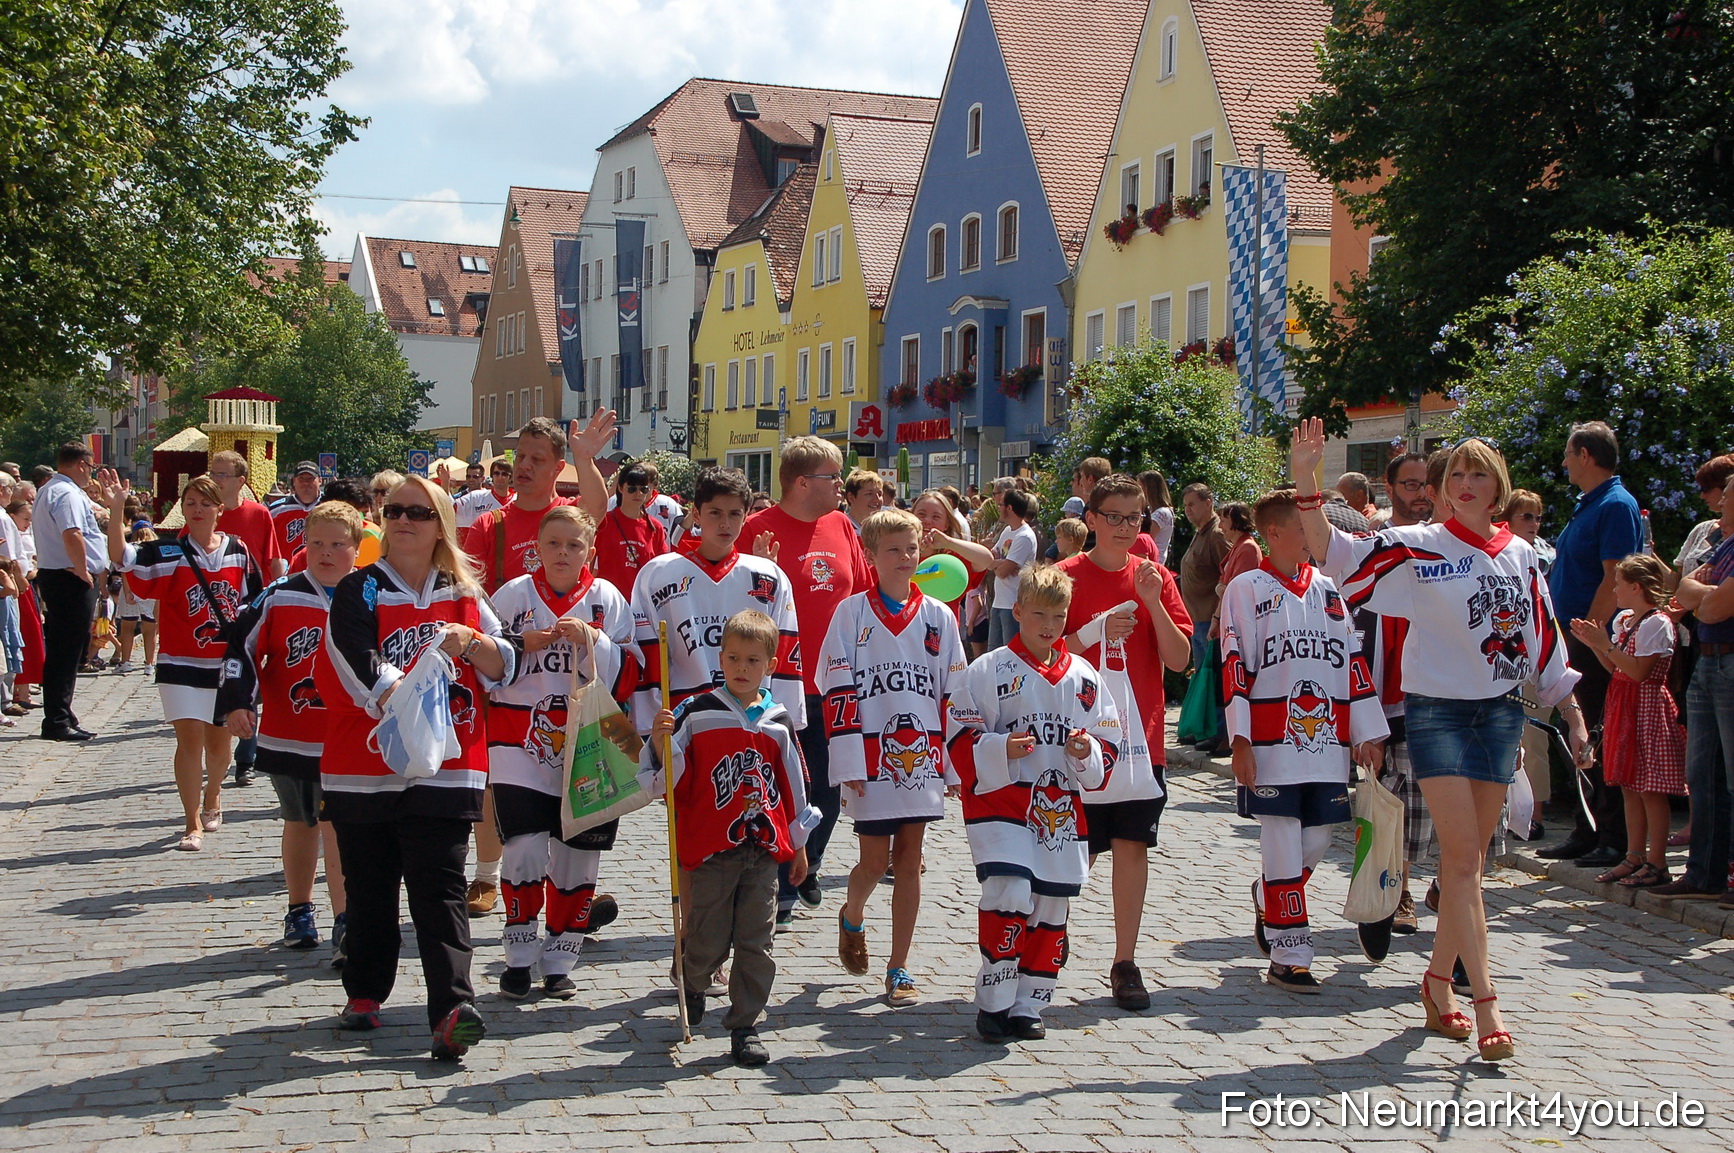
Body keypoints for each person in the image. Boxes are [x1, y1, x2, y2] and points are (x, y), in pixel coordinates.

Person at [1291, 420, 1591, 1062]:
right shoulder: (1420, 543)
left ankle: (1434, 982)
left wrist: (1572, 713)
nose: (1463, 484)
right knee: (1460, 861)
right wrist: (1307, 484)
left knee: (1471, 866)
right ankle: (1486, 1004)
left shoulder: (1520, 554)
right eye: (1455, 474)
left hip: (1500, 714)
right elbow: (1338, 557)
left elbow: (1542, 638)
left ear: (1498, 487)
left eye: (1476, 473)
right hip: (1437, 715)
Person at [320, 474, 514, 1061]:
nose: (404, 520)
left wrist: (470, 641)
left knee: (440, 887)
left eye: (419, 512)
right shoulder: (359, 590)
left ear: (440, 526)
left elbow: (503, 660)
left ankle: (453, 1009)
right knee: (371, 885)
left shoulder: (463, 591)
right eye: (395, 510)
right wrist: (404, 695)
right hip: (365, 764)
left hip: (449, 766)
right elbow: (353, 661)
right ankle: (365, 991)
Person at [1221, 488, 1389, 991]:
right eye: (1304, 525)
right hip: (1271, 741)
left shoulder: (1329, 589)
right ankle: (1289, 952)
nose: (1313, 535)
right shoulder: (1246, 589)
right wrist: (1240, 739)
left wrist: (1367, 732)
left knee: (1315, 840)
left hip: (1327, 743)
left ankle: (1266, 895)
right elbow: (1235, 665)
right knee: (1280, 844)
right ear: (1274, 533)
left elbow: (1353, 662)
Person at [946, 563, 1120, 1043]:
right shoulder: (989, 668)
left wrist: (1088, 754)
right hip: (1000, 806)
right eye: (1039, 613)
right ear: (1017, 610)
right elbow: (959, 731)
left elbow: (1109, 735)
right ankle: (994, 1001)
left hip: (1059, 812)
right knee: (1009, 893)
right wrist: (1000, 748)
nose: (1048, 625)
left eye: (1058, 616)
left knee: (1050, 904)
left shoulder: (1084, 676)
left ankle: (1029, 1003)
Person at [644, 610, 820, 1066]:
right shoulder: (697, 713)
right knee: (708, 937)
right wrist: (661, 738)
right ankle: (694, 980)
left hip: (762, 849)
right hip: (711, 849)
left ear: (770, 664)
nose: (742, 668)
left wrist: (799, 843)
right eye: (734, 658)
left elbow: (794, 785)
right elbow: (665, 770)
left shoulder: (778, 722)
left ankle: (745, 1025)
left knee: (756, 941)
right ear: (720, 658)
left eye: (753, 660)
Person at [818, 507, 967, 1007]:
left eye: (912, 548)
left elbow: (953, 692)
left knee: (910, 861)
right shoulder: (852, 613)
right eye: (894, 550)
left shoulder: (940, 616)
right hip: (870, 756)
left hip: (921, 755)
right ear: (871, 555)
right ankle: (852, 913)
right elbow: (835, 688)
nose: (905, 558)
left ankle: (899, 966)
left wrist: (951, 762)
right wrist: (848, 762)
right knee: (872, 861)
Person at [488, 506, 637, 1000]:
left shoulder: (607, 600)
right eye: (553, 544)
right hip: (518, 745)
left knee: (577, 859)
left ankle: (559, 958)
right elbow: (487, 664)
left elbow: (633, 671)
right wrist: (519, 643)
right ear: (537, 546)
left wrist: (595, 641)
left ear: (589, 551)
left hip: (592, 746)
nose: (563, 553)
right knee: (524, 848)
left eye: (574, 545)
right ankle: (519, 954)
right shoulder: (511, 597)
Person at [1056, 474, 1192, 1010]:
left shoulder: (1155, 576)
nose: (1123, 527)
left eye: (1134, 517)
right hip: (1077, 738)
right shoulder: (1064, 576)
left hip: (1141, 741)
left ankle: (1125, 960)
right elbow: (1042, 652)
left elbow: (1181, 660)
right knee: (1070, 846)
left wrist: (1153, 604)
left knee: (1132, 848)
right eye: (1112, 516)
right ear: (1090, 520)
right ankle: (1052, 932)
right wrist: (1092, 632)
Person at [217, 502, 357, 962]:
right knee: (301, 822)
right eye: (316, 543)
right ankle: (299, 908)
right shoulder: (279, 595)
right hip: (291, 733)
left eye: (338, 544)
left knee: (341, 826)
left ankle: (346, 919)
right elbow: (240, 646)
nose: (326, 553)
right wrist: (239, 701)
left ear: (357, 547)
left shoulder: (372, 595)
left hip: (354, 738)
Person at [461, 415, 590, 917]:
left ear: (558, 467)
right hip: (508, 672)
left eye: (538, 460)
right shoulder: (489, 524)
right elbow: (468, 593)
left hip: (568, 674)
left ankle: (568, 881)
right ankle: (489, 874)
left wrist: (587, 454)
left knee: (570, 771)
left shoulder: (571, 515)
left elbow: (598, 510)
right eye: (520, 457)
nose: (524, 467)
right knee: (497, 774)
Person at [742, 438, 873, 924]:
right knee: (778, 787)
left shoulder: (841, 524)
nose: (841, 486)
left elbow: (860, 592)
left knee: (827, 790)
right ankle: (781, 881)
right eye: (832, 477)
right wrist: (755, 571)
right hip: (777, 685)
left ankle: (808, 861)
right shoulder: (755, 530)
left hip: (833, 681)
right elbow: (732, 608)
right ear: (801, 483)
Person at [101, 472, 265, 849]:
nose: (197, 510)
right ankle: (191, 821)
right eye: (190, 503)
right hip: (180, 663)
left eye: (205, 503)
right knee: (188, 741)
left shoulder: (238, 551)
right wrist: (115, 511)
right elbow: (121, 558)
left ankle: (213, 795)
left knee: (219, 746)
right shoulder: (168, 551)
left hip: (224, 667)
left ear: (219, 509)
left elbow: (253, 603)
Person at [1540, 421, 1645, 868]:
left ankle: (1612, 835)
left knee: (1599, 731)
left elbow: (1614, 575)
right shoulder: (1592, 503)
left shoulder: (1617, 504)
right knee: (1577, 734)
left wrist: (1594, 633)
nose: (1563, 461)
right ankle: (1588, 829)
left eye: (1568, 452)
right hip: (1575, 636)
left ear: (1585, 455)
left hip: (1593, 639)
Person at [1570, 554, 1686, 888]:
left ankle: (1657, 861)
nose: (1615, 590)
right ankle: (1634, 856)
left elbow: (1638, 671)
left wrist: (1605, 645)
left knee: (1650, 788)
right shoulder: (1628, 621)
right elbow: (1616, 668)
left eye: (1619, 584)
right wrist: (1596, 646)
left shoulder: (1656, 623)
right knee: (1629, 785)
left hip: (1647, 708)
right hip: (1626, 707)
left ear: (1636, 586)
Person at [1662, 473, 1734, 903]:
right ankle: (1703, 873)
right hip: (1708, 662)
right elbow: (1684, 589)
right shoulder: (1721, 545)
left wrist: (1698, 594)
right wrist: (1700, 593)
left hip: (1729, 660)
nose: (1718, 504)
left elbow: (1710, 607)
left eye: (1726, 497)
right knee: (1702, 774)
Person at [32, 443, 106, 741]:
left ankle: (62, 713)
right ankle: (57, 720)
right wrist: (82, 568)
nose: (91, 475)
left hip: (59, 575)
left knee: (65, 650)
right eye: (91, 468)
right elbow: (72, 532)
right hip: (69, 577)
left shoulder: (51, 489)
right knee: (67, 652)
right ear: (81, 464)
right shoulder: (66, 493)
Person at [577, 454, 668, 598]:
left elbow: (661, 570)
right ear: (620, 488)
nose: (638, 493)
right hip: (607, 601)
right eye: (631, 489)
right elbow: (586, 563)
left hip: (642, 604)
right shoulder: (603, 522)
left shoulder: (655, 528)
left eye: (643, 489)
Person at [1177, 483, 1230, 684]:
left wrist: (1218, 616)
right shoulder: (1201, 532)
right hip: (1197, 622)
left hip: (1211, 623)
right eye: (1185, 505)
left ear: (1208, 503)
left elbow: (1230, 574)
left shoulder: (1216, 534)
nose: (1187, 510)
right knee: (1204, 683)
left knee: (1213, 686)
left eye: (1192, 504)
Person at [987, 489, 1039, 652]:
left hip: (1013, 605)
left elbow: (1001, 572)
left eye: (1001, 504)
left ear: (1009, 508)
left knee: (1011, 654)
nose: (998, 507)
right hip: (999, 603)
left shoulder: (1024, 536)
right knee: (993, 655)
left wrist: (998, 565)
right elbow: (990, 559)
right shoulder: (1008, 531)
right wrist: (1000, 563)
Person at [115, 522, 159, 673]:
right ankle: (149, 663)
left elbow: (126, 571)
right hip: (151, 591)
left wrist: (128, 591)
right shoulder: (156, 549)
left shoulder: (130, 548)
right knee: (150, 629)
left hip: (132, 589)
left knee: (128, 627)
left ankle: (125, 661)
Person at [270, 461, 323, 564]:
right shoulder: (277, 509)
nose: (305, 483)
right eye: (301, 479)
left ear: (320, 480)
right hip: (288, 573)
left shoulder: (331, 506)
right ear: (294, 481)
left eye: (310, 479)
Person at [1131, 470, 1174, 565]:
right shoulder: (1153, 511)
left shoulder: (1161, 513)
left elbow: (1147, 538)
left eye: (1140, 487)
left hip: (1152, 560)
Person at [453, 460, 510, 530]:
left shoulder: (518, 499)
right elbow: (449, 507)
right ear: (492, 476)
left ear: (510, 477)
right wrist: (445, 485)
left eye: (504, 474)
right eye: (496, 473)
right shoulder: (474, 496)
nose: (500, 477)